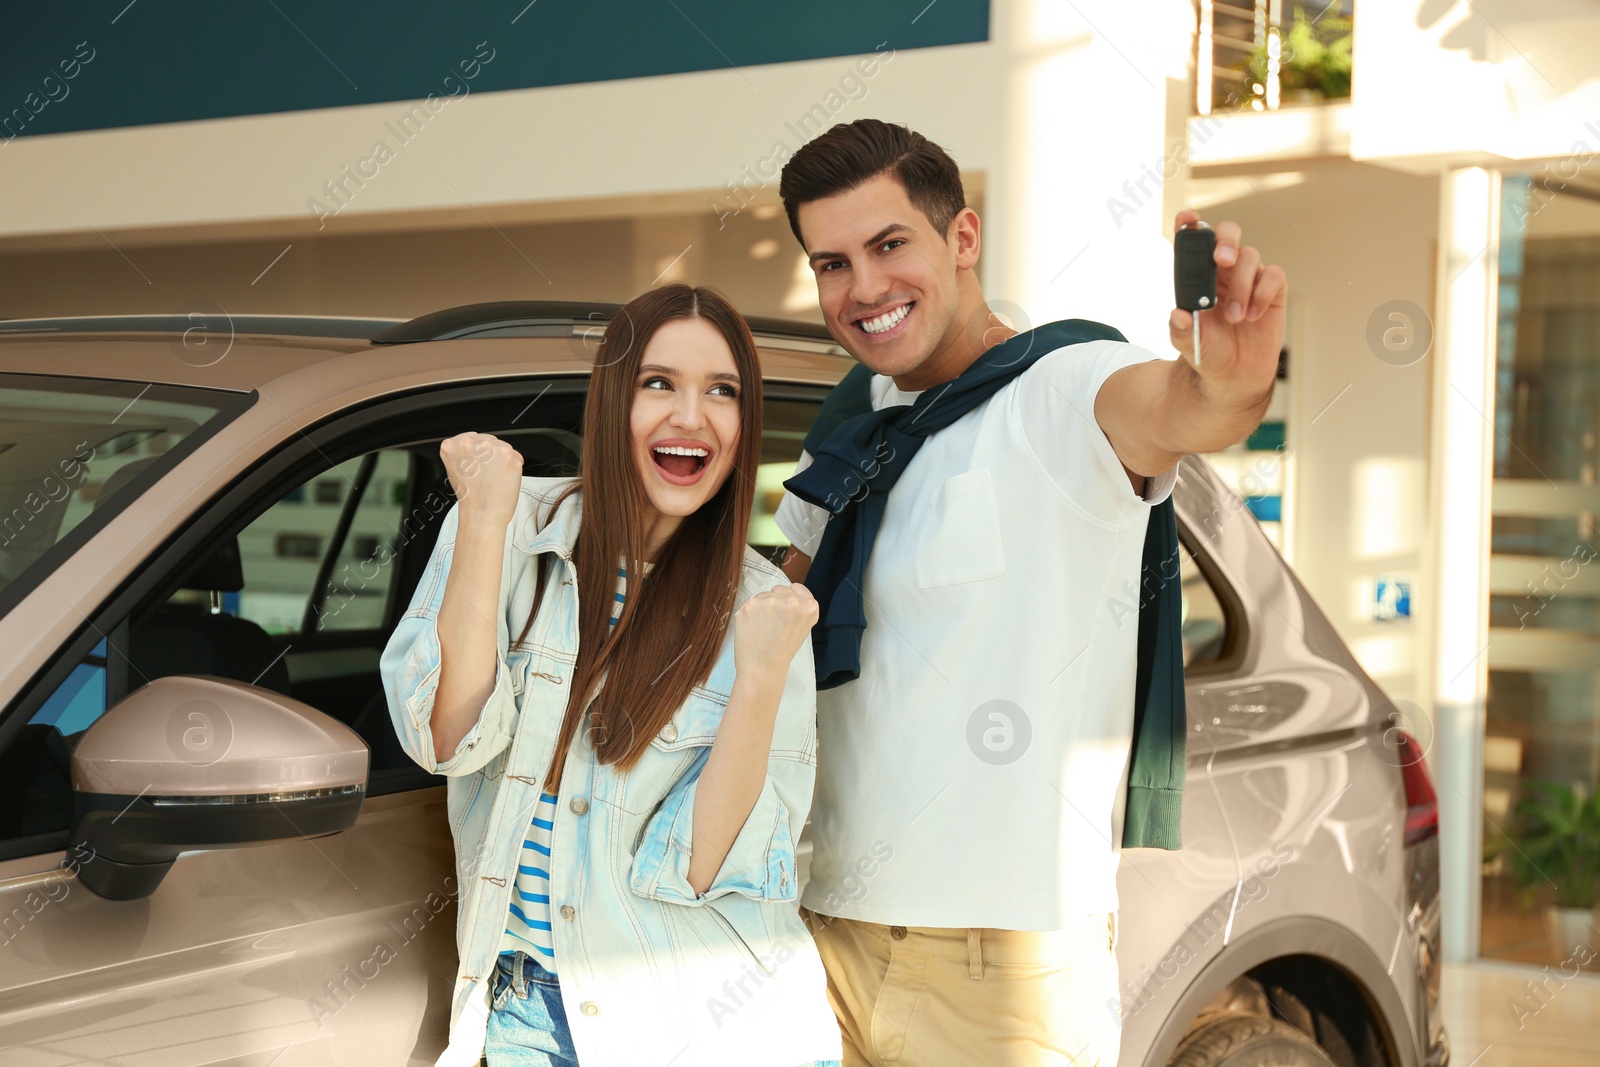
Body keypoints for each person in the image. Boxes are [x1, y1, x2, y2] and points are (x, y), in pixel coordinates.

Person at [771, 119, 1287, 1065]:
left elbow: (1181, 406)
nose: (865, 288)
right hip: (823, 935)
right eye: (832, 262)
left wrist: (1233, 382)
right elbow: (770, 623)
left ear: (962, 239)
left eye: (890, 245)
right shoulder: (849, 428)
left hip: (999, 970)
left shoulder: (1063, 385)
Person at [379, 284, 844, 1067]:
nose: (690, 417)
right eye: (659, 383)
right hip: (530, 1015)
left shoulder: (766, 613)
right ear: (610, 401)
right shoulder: (507, 525)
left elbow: (704, 871)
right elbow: (449, 738)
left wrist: (759, 681)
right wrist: (486, 521)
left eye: (721, 392)